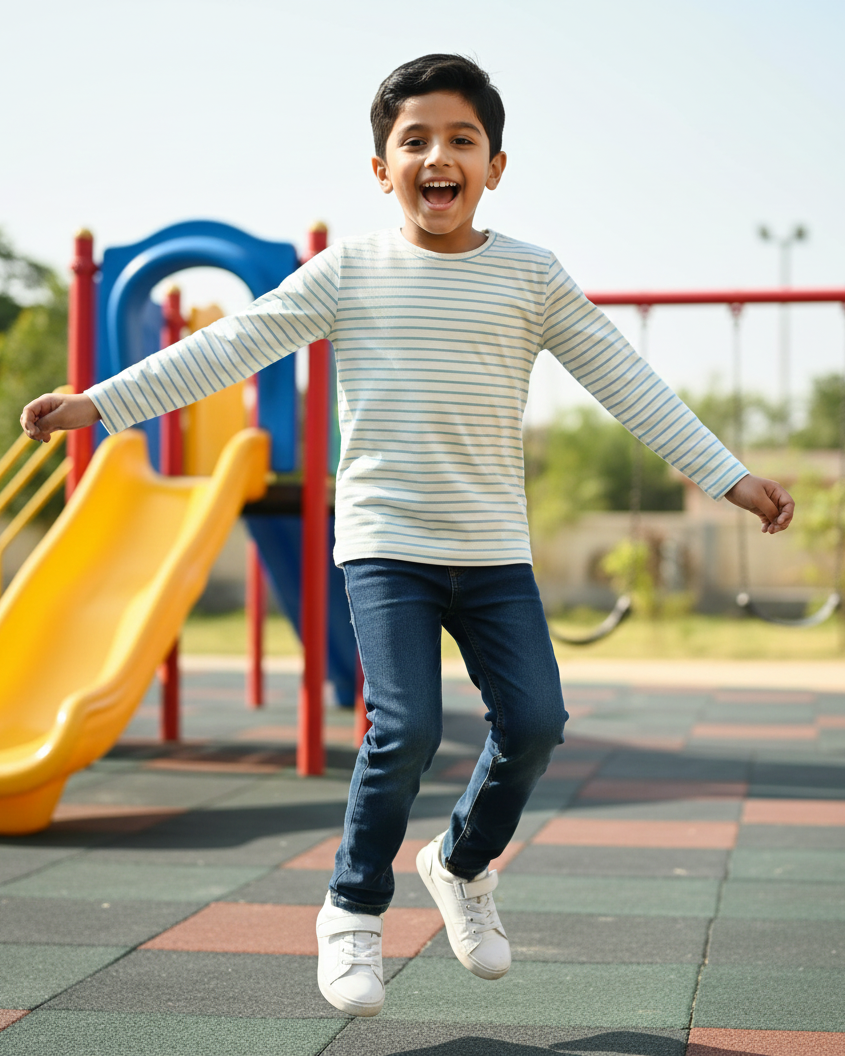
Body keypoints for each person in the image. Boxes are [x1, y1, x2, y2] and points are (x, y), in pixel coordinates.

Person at [21, 54, 794, 1018]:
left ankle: (461, 863)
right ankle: (351, 908)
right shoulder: (349, 271)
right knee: (408, 728)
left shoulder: (531, 276)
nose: (438, 155)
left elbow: (627, 381)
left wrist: (729, 476)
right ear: (381, 169)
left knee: (539, 723)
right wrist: (101, 403)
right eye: (414, 140)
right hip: (386, 544)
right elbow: (229, 345)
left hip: (492, 550)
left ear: (495, 166)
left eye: (460, 140)